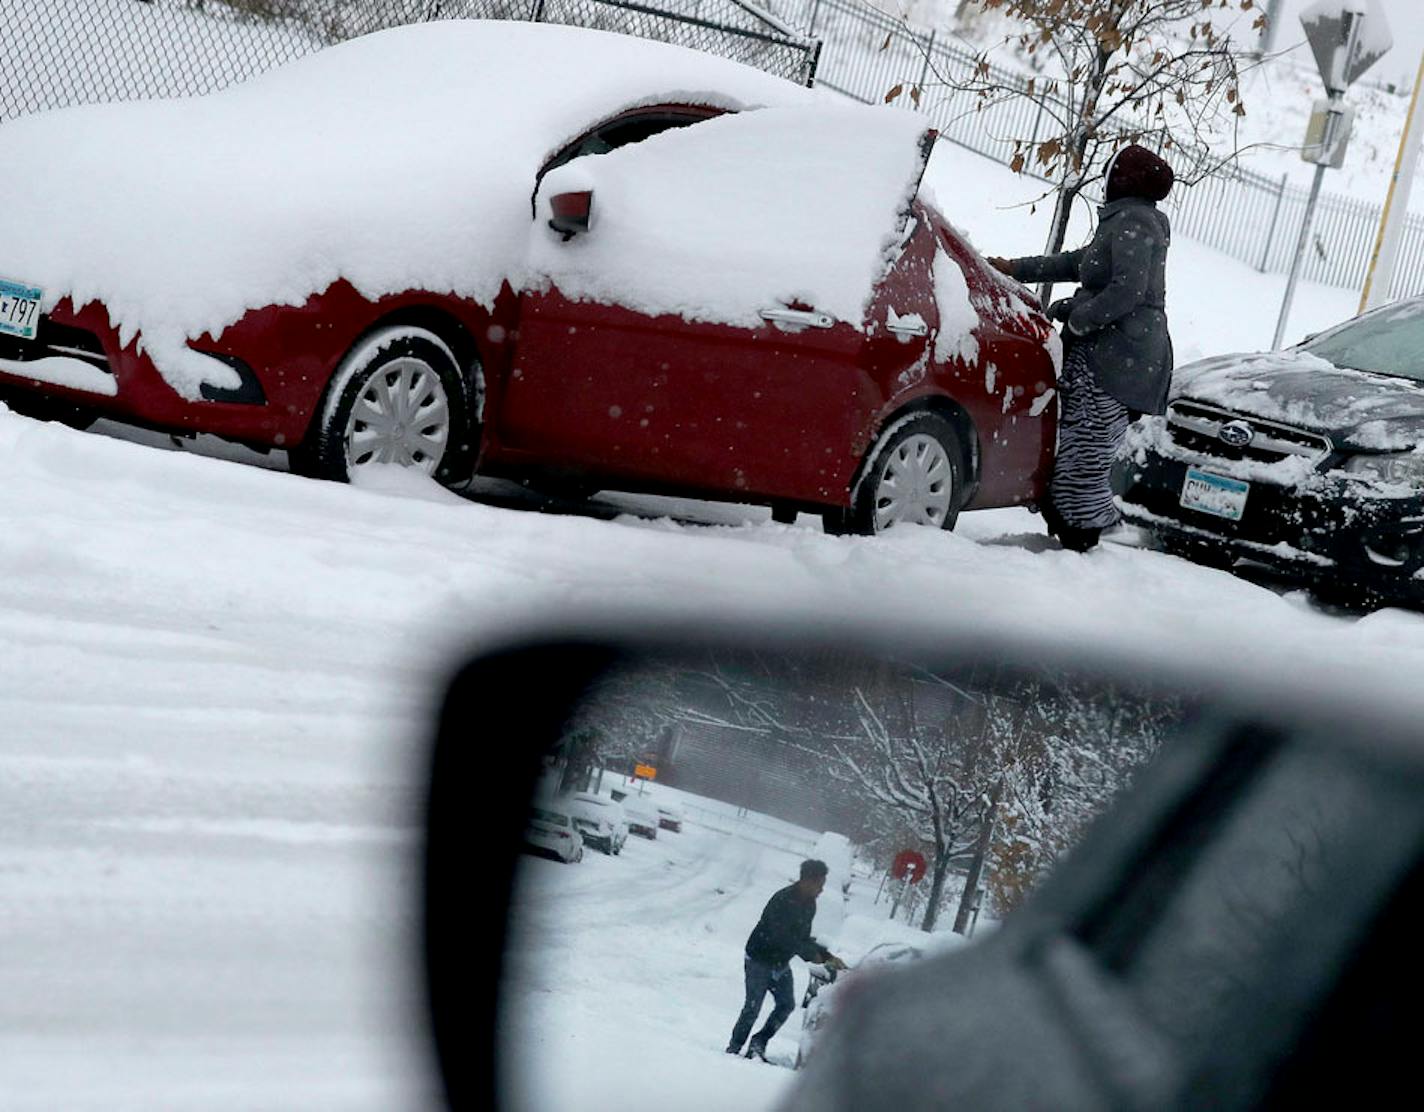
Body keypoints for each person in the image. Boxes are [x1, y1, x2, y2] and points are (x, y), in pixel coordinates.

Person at [987, 143, 1175, 552]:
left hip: (1115, 357)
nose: (1104, 180)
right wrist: (1016, 268)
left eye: (1109, 172)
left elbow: (1127, 291)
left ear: (1121, 179)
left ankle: (1082, 530)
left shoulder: (1136, 222)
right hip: (1111, 352)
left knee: (1087, 442)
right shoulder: (1126, 220)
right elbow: (1082, 262)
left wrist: (1078, 318)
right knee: (1078, 439)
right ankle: (1073, 521)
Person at [726, 859, 847, 1061]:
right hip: (759, 957)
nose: (821, 890)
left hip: (780, 962)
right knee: (752, 1008)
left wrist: (827, 957)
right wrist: (811, 954)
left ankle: (758, 1043)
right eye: (820, 885)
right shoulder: (782, 899)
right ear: (807, 880)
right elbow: (781, 937)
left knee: (786, 1005)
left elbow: (802, 938)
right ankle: (734, 1048)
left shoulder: (810, 904)